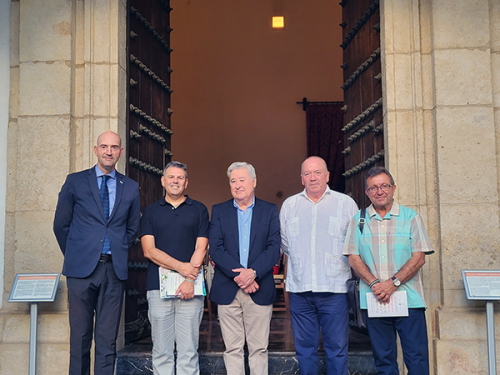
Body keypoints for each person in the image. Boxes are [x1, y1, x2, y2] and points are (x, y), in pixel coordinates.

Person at [53, 131, 141, 375]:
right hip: (81, 272)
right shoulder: (75, 181)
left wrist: (117, 249)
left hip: (113, 271)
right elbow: (61, 224)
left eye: (114, 147)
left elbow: (132, 228)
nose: (109, 151)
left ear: (121, 152)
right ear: (95, 150)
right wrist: (77, 252)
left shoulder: (131, 187)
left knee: (107, 340)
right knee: (79, 339)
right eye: (104, 146)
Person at [343, 166, 434, 375]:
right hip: (376, 302)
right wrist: (375, 284)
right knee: (384, 360)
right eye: (373, 187)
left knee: (417, 359)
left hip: (409, 300)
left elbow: (419, 257)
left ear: (393, 188)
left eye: (384, 186)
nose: (379, 191)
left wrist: (392, 283)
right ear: (367, 192)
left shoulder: (411, 217)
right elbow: (353, 258)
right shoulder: (359, 220)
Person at [280, 156, 358, 375]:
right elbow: (285, 244)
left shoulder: (345, 204)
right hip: (300, 291)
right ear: (302, 179)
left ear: (327, 176)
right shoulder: (290, 206)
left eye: (317, 172)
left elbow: (355, 243)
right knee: (305, 351)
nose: (312, 177)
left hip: (334, 291)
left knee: (337, 350)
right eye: (307, 173)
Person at [209, 162, 280, 375]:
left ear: (254, 182)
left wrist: (253, 273)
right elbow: (217, 248)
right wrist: (241, 276)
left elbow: (274, 248)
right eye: (233, 181)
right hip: (227, 290)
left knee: (259, 348)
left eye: (242, 180)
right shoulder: (219, 210)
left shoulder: (269, 210)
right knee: (232, 348)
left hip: (260, 288)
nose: (238, 185)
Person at [140, 161, 209, 375]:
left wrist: (189, 280)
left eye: (180, 178)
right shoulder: (151, 212)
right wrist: (183, 269)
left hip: (192, 288)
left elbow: (202, 246)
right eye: (171, 177)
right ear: (163, 181)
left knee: (189, 350)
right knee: (161, 350)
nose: (175, 181)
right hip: (158, 289)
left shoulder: (199, 209)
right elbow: (149, 250)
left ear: (186, 183)